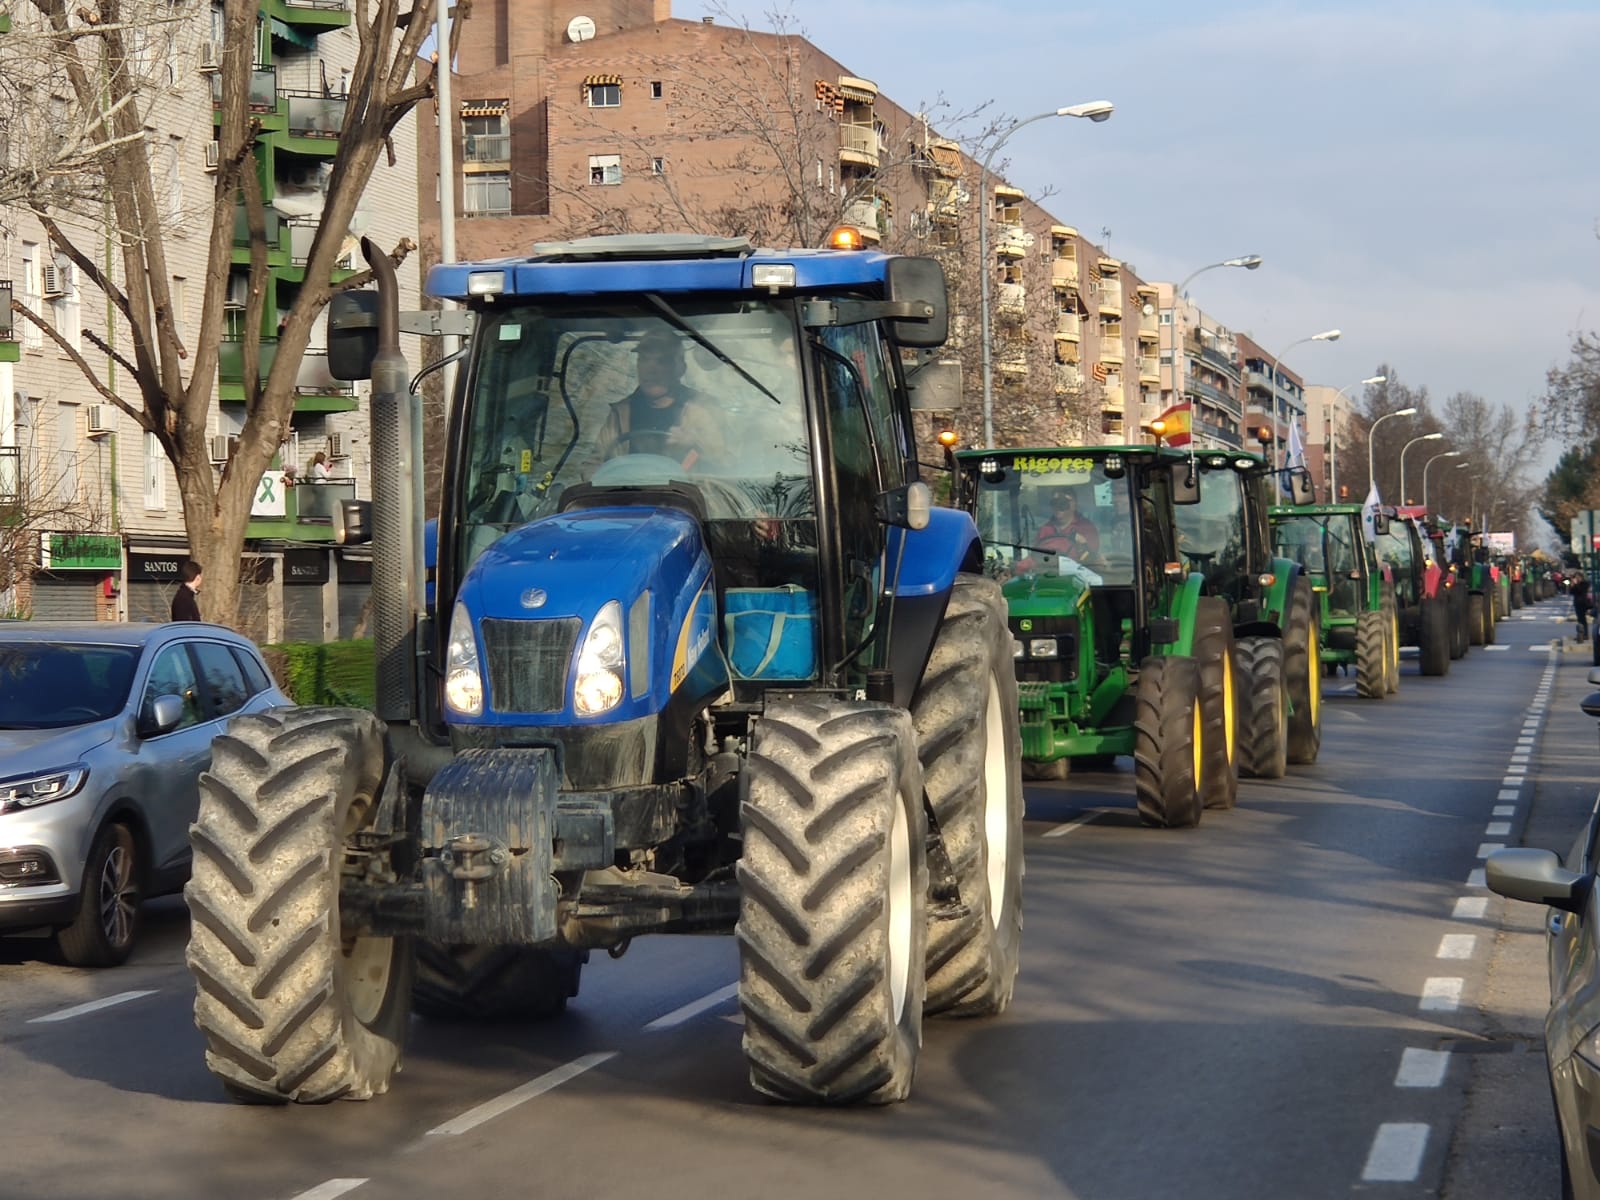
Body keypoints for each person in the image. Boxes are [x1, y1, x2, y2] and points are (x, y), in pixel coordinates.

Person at [596, 328, 719, 468]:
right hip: (626, 488)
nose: (650, 369)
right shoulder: (621, 412)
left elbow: (727, 468)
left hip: (687, 489)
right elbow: (596, 464)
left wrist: (695, 446)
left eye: (662, 361)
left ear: (680, 369)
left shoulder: (703, 410)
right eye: (644, 359)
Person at [1035, 490, 1100, 557]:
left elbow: (1093, 559)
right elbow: (1035, 558)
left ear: (1075, 504)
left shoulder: (1087, 528)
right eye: (1055, 502)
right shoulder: (1044, 530)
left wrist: (1082, 547)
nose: (1059, 505)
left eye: (1064, 502)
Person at [1573, 572, 1591, 641]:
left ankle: (1585, 634)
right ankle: (1581, 634)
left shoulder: (1585, 584)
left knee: (1583, 620)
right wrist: (1573, 585)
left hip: (1583, 603)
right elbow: (1572, 592)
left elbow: (1580, 590)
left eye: (1578, 577)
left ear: (1581, 577)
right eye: (1576, 577)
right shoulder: (1577, 584)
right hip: (1577, 603)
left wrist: (1576, 584)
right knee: (1580, 619)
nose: (1577, 579)